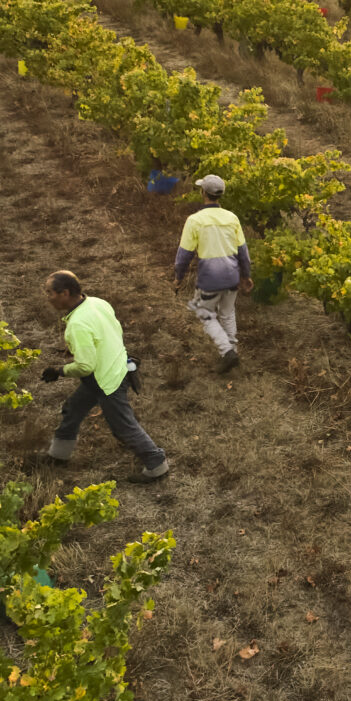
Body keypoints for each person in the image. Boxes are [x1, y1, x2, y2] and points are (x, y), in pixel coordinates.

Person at [39, 270, 170, 483]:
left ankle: (156, 463)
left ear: (64, 293)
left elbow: (85, 366)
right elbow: (115, 330)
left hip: (106, 380)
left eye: (50, 293)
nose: (48, 298)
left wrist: (59, 371)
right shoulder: (97, 303)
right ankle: (58, 455)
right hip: (116, 366)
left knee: (123, 426)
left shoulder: (78, 324)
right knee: (74, 408)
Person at [171, 174, 253, 373]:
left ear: (203, 193)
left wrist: (178, 278)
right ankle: (232, 350)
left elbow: (184, 255)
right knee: (227, 313)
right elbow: (243, 250)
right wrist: (246, 275)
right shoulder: (231, 218)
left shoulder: (195, 220)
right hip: (232, 275)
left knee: (205, 313)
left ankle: (227, 352)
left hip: (210, 278)